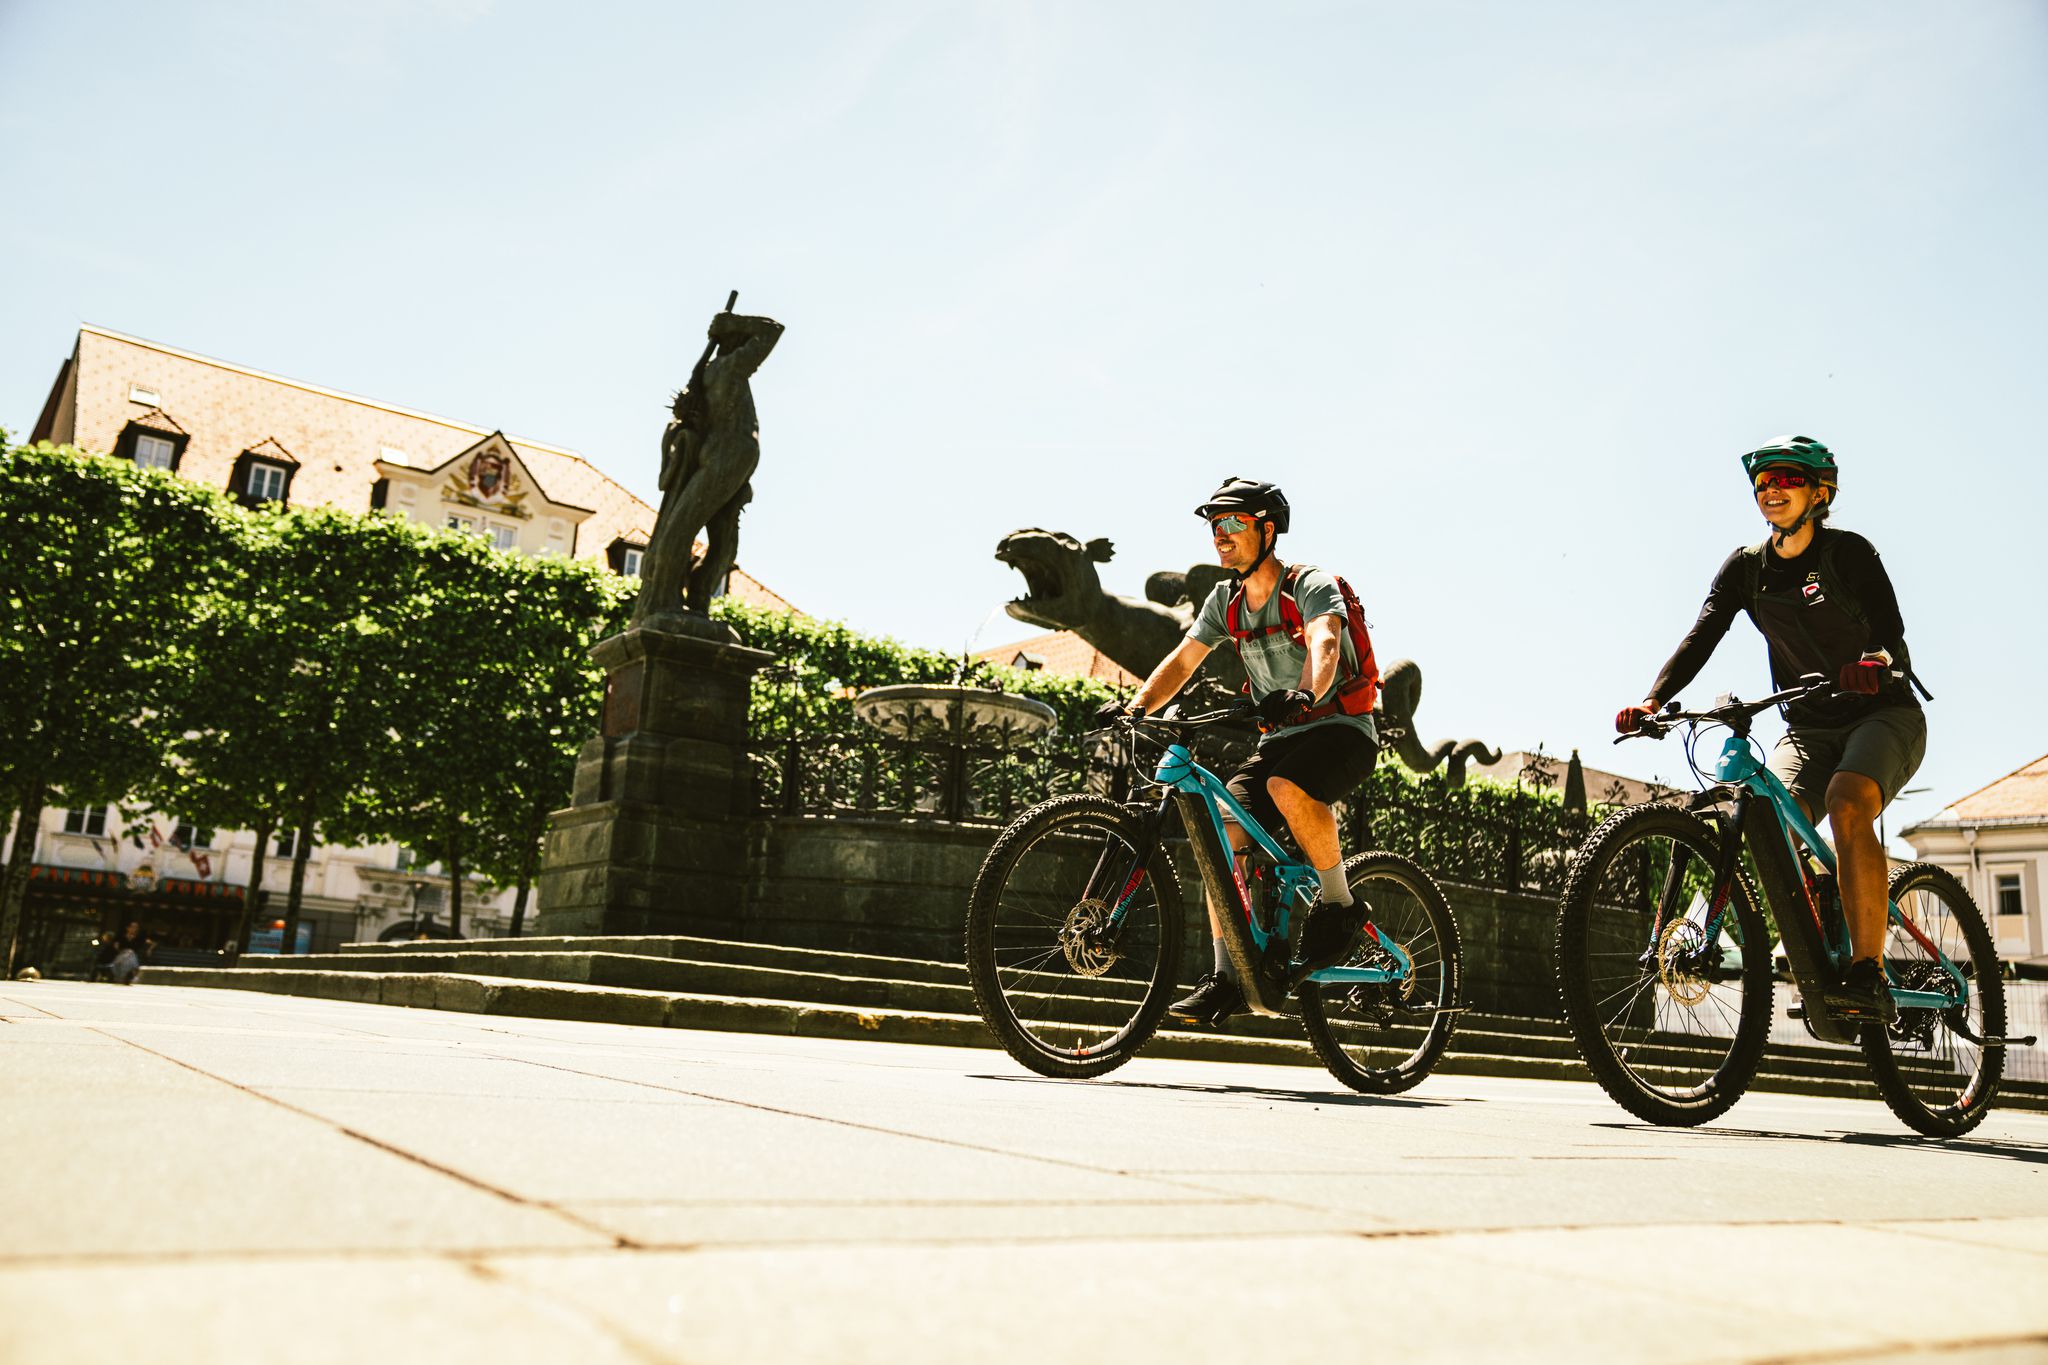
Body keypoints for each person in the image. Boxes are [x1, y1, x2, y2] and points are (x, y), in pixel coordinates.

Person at [1616, 436, 1927, 1022]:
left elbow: (1891, 631)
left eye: (1786, 479)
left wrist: (1876, 663)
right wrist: (1654, 699)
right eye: (1762, 483)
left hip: (1882, 713)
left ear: (1819, 492)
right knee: (1766, 821)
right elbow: (1700, 636)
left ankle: (1869, 970)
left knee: (1846, 800)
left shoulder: (1850, 554)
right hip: (1807, 728)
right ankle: (1830, 916)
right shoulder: (1746, 568)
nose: (1771, 490)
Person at [1102, 477, 1382, 1027]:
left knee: (1286, 786)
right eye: (1214, 525)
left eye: (1233, 523)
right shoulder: (1225, 601)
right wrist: (1136, 709)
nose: (1220, 535)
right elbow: (1184, 661)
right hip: (1280, 737)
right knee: (1220, 836)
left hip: (1341, 727)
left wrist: (1306, 692)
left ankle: (1339, 906)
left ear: (1268, 529)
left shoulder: (1310, 585)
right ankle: (1226, 978)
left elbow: (1324, 640)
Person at [106, 920, 153, 985]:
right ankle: (131, 974)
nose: (135, 929)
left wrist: (149, 949)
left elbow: (152, 943)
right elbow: (115, 946)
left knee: (130, 954)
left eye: (136, 927)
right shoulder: (121, 936)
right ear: (128, 928)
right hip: (121, 954)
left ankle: (124, 976)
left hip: (133, 955)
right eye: (133, 927)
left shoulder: (140, 938)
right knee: (127, 956)